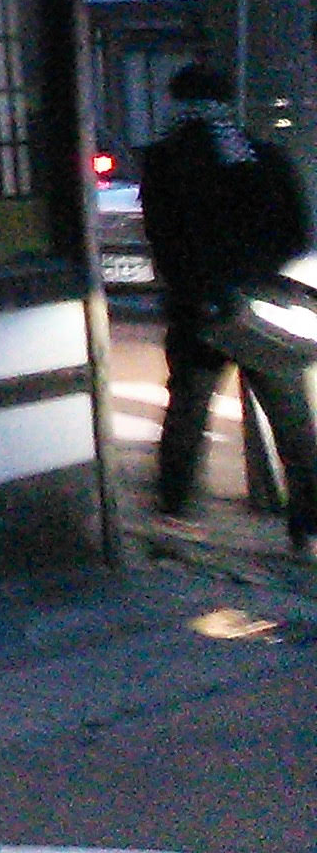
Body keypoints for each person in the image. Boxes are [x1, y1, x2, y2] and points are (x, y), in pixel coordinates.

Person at [134, 61, 317, 551]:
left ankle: (174, 516)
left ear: (178, 101)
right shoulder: (262, 157)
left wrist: (199, 284)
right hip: (263, 307)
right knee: (292, 419)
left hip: (200, 310)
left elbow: (163, 239)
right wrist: (259, 271)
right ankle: (307, 524)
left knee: (188, 411)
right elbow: (298, 233)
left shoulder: (164, 160)